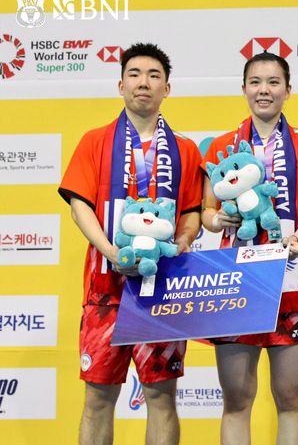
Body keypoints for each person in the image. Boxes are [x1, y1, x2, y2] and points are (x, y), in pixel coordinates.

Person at [58, 42, 203, 445]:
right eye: (135, 75)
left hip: (163, 292)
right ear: (120, 84)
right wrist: (111, 252)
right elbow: (79, 206)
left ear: (167, 88)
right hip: (106, 291)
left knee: (161, 397)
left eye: (154, 76)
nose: (144, 83)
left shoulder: (186, 150)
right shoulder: (95, 141)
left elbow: (191, 211)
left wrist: (185, 240)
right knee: (99, 399)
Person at [200, 52, 298, 445]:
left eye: (274, 82)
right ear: (243, 89)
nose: (264, 90)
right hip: (234, 275)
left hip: (289, 275)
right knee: (237, 397)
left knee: (290, 396)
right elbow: (206, 211)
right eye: (255, 81)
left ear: (288, 90)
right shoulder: (220, 146)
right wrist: (217, 221)